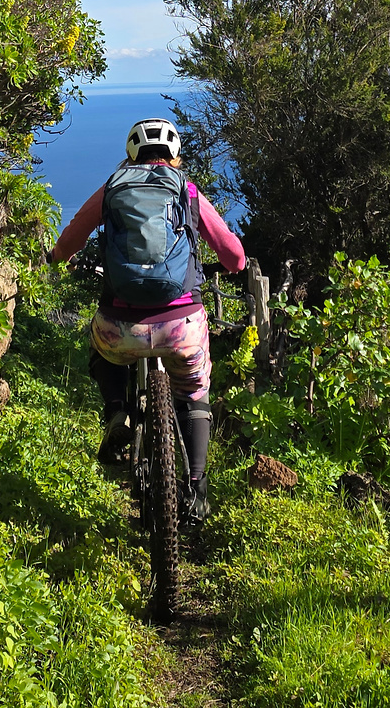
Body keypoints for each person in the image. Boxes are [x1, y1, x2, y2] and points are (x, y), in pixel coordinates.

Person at [47, 116, 244, 525]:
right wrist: (235, 265)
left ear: (131, 154)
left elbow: (71, 238)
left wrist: (56, 257)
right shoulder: (187, 190)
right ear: (175, 154)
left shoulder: (113, 187)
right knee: (194, 391)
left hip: (119, 326)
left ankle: (117, 409)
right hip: (181, 325)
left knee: (100, 346)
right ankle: (197, 487)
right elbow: (232, 254)